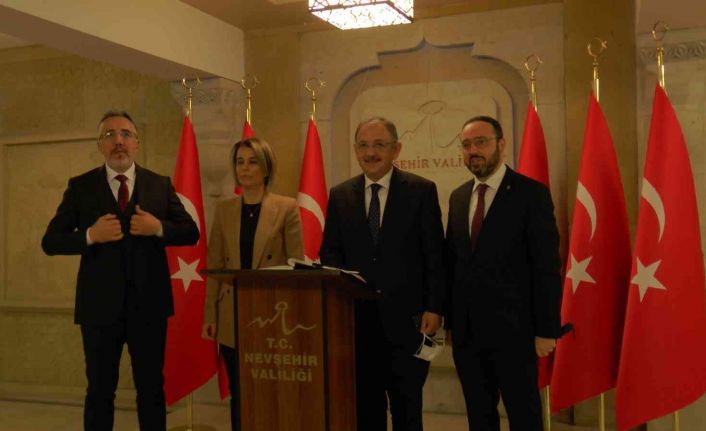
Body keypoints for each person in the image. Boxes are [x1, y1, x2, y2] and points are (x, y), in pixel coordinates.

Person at [41, 110, 199, 431]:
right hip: (98, 309)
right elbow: (51, 241)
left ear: (137, 143)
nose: (118, 141)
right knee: (100, 391)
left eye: (126, 134)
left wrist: (158, 228)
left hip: (149, 306)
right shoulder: (81, 187)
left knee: (151, 390)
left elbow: (190, 232)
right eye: (109, 135)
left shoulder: (159, 185)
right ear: (99, 145)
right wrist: (89, 235)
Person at [319, 117, 445, 431]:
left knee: (407, 412)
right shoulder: (340, 195)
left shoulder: (421, 191)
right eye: (363, 145)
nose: (370, 153)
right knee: (365, 411)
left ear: (396, 149)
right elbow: (330, 254)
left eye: (379, 145)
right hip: (357, 324)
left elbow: (435, 255)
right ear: (355, 150)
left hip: (408, 322)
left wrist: (435, 307)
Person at [444, 116, 562, 431]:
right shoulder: (458, 197)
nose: (473, 151)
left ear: (501, 144)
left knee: (524, 416)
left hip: (516, 333)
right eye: (466, 145)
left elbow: (546, 266)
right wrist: (451, 322)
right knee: (479, 416)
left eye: (481, 142)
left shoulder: (531, 194)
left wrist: (547, 329)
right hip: (468, 335)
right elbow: (453, 263)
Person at [202, 137, 304, 431]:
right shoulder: (224, 209)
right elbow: (215, 265)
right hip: (232, 313)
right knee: (240, 390)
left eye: (252, 162)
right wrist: (210, 315)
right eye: (239, 162)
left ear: (266, 167)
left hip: (272, 313)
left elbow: (297, 267)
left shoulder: (286, 207)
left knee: (270, 390)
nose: (245, 169)